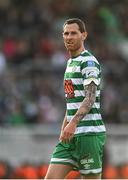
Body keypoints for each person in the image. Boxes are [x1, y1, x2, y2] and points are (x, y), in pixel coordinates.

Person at [44, 18, 106, 179]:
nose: (69, 37)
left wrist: (73, 123)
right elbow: (71, 101)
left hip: (88, 134)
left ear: (83, 35)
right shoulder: (70, 63)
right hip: (70, 137)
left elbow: (90, 98)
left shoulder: (89, 62)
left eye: (73, 33)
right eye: (66, 33)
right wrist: (64, 127)